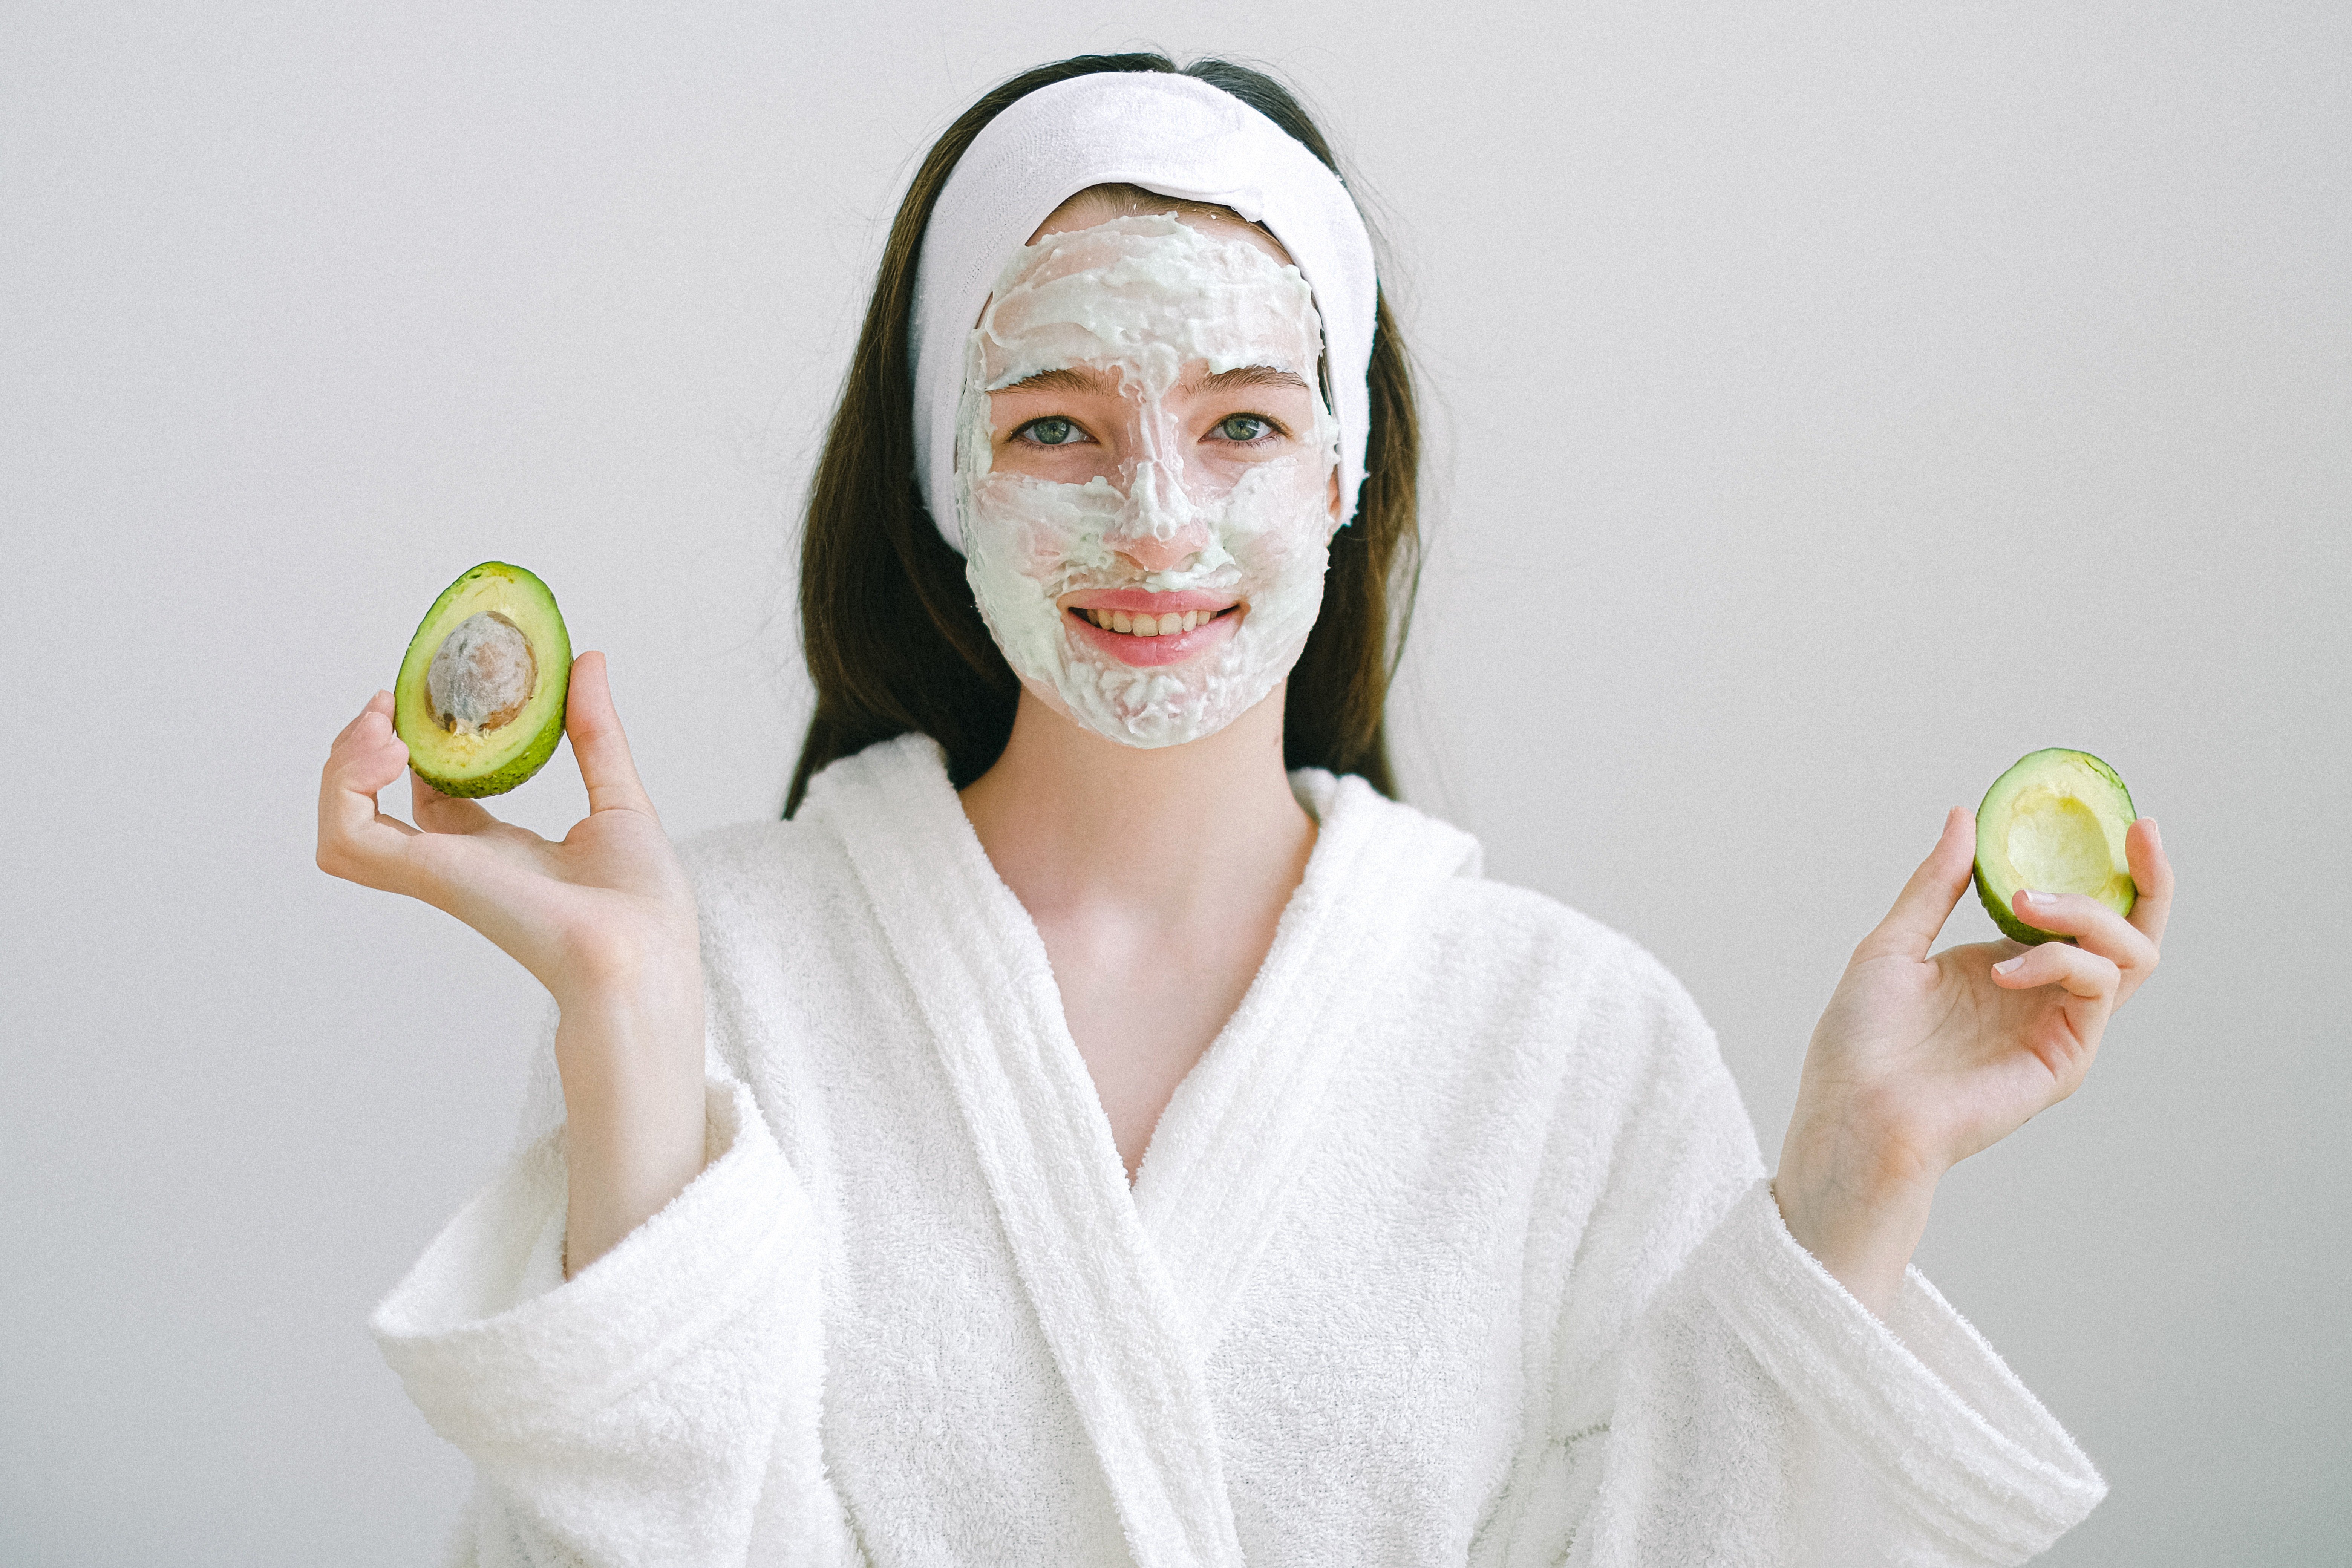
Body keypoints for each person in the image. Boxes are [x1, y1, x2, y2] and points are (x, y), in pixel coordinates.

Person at [316, 54, 2173, 1567]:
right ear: (949, 475)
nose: (1157, 520)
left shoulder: (1573, 1040)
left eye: (1243, 425)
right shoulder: (734, 975)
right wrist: (636, 1024)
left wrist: (1857, 1175)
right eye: (1055, 424)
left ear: (1350, 464)